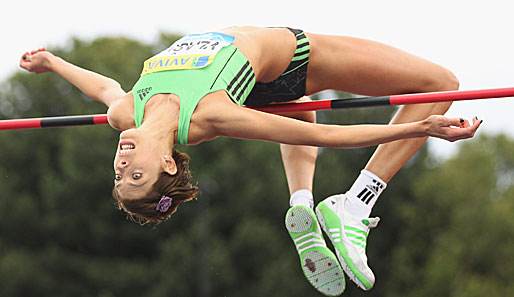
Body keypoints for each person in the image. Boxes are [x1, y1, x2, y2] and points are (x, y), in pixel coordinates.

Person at [20, 26, 481, 296]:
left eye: (120, 175)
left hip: (263, 82)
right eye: (136, 175)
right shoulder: (209, 115)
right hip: (294, 58)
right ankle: (355, 206)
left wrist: (53, 62)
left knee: (305, 100)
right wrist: (419, 128)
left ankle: (302, 202)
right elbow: (320, 134)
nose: (122, 165)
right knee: (439, 81)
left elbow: (103, 88)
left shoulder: (126, 113)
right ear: (167, 165)